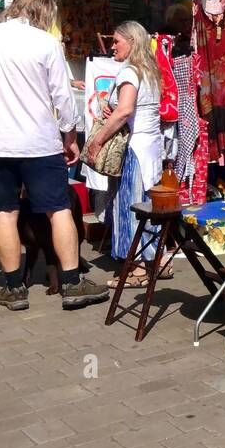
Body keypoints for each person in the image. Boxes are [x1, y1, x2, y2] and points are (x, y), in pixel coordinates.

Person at [0, 0, 109, 312]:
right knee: (58, 209)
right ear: (43, 13)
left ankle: (14, 288)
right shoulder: (46, 43)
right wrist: (71, 136)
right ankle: (71, 282)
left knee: (4, 213)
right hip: (39, 142)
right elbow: (63, 98)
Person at [86, 21, 165, 289]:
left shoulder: (130, 71)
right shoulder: (150, 71)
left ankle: (139, 268)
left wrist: (97, 141)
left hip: (135, 150)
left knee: (132, 207)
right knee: (148, 205)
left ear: (131, 42)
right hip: (151, 148)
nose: (112, 46)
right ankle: (156, 261)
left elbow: (124, 111)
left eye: (117, 41)